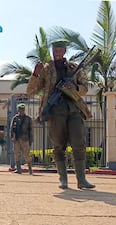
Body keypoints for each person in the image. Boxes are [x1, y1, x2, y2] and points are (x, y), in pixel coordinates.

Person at [27, 39, 95, 189]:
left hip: (74, 107)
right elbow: (32, 91)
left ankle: (81, 180)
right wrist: (35, 75)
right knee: (58, 145)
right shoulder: (46, 69)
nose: (57, 53)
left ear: (65, 51)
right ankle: (63, 179)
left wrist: (73, 87)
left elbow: (84, 88)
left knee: (79, 143)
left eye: (60, 50)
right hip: (55, 111)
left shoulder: (73, 68)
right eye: (54, 50)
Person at [10, 103, 33, 175]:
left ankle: (30, 170)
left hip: (25, 138)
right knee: (17, 154)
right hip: (17, 139)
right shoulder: (15, 118)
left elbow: (31, 130)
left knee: (27, 155)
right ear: (18, 110)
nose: (21, 111)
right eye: (20, 110)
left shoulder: (28, 119)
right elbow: (11, 128)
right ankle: (19, 169)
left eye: (22, 110)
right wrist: (12, 137)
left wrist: (30, 140)